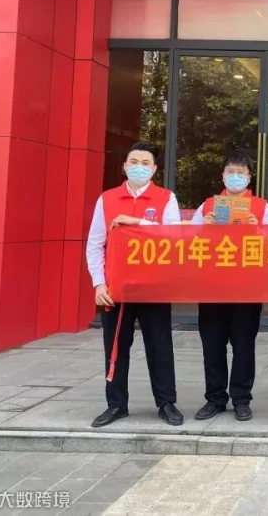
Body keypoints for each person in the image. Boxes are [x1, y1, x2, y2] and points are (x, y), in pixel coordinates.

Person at [86, 142, 183, 428]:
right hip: (116, 289)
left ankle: (166, 403)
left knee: (160, 347)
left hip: (154, 287)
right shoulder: (107, 199)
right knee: (116, 348)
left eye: (145, 163)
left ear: (154, 169)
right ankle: (116, 404)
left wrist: (136, 222)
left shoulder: (165, 198)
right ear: (124, 166)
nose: (139, 167)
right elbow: (95, 244)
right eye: (134, 162)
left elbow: (174, 236)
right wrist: (99, 284)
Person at [191, 151, 268, 423]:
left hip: (248, 288)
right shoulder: (207, 207)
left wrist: (258, 230)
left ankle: (241, 399)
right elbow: (187, 244)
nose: (236, 177)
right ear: (223, 175)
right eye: (231, 171)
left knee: (243, 346)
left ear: (249, 178)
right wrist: (202, 229)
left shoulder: (262, 208)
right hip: (212, 287)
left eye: (241, 172)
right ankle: (215, 398)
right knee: (212, 345)